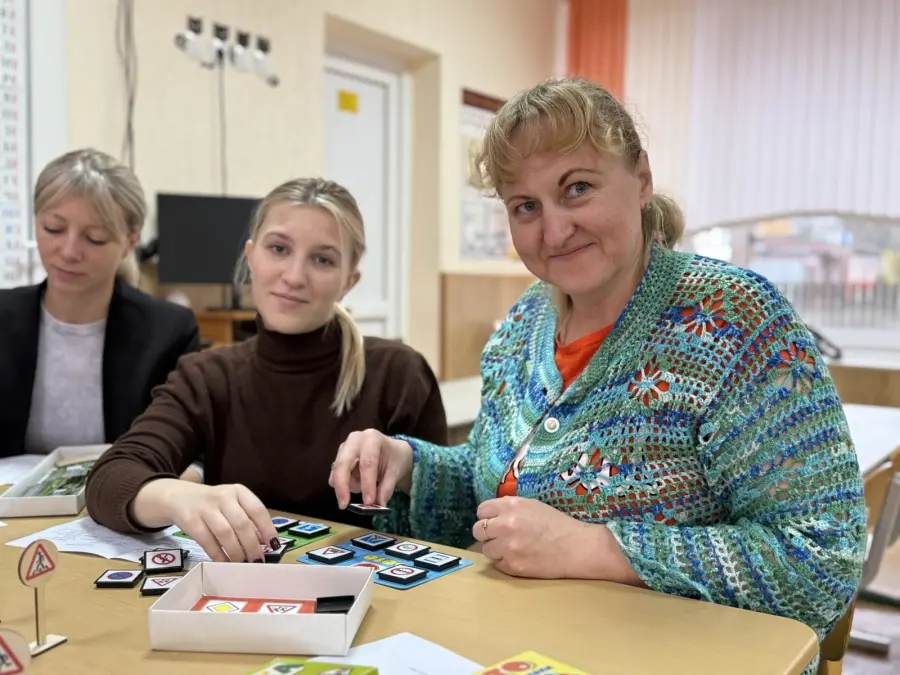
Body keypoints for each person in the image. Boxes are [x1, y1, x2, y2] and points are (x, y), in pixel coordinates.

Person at [329, 77, 867, 664]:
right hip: (523, 648)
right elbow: (499, 491)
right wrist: (410, 465)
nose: (554, 231)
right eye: (526, 207)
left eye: (578, 189)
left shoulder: (734, 320)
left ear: (642, 178)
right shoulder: (521, 326)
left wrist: (596, 548)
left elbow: (821, 562)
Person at [85, 177, 448, 565]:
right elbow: (110, 478)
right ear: (251, 256)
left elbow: (446, 518)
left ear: (349, 280)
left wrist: (407, 470)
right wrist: (178, 497)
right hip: (241, 589)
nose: (294, 276)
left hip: (377, 590)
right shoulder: (206, 377)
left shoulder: (398, 373)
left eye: (323, 260)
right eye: (279, 249)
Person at [0, 148, 200, 459]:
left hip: (120, 488)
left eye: (95, 238)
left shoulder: (167, 332)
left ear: (130, 242)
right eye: (53, 228)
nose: (69, 252)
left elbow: (189, 450)